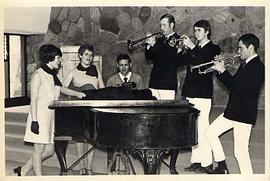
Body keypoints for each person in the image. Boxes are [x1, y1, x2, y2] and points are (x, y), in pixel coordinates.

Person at [13, 44, 85, 176]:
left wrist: (78, 94)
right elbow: (33, 100)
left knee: (50, 150)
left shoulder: (52, 75)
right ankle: (39, 177)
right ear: (50, 58)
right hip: (39, 116)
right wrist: (34, 121)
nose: (60, 61)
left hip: (51, 117)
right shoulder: (38, 75)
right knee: (39, 150)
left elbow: (61, 88)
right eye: (58, 58)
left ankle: (22, 170)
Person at [205, 33, 264, 174]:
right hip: (232, 112)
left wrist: (223, 70)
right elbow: (233, 85)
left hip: (243, 114)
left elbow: (241, 88)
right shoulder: (246, 65)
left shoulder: (257, 67)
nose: (238, 52)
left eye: (240, 48)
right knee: (210, 133)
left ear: (250, 48)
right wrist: (220, 70)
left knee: (240, 152)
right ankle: (222, 166)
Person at [175, 20, 221, 173]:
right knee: (193, 128)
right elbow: (180, 62)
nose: (196, 33)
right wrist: (181, 49)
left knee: (203, 129)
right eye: (195, 30)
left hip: (202, 94)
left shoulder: (213, 48)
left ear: (207, 31)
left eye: (199, 30)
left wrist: (192, 47)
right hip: (190, 92)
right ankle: (196, 160)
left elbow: (204, 63)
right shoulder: (195, 48)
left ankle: (207, 163)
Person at [144, 13, 182, 174]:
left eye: (164, 25)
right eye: (160, 25)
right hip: (155, 82)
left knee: (167, 118)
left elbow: (170, 57)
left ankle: (168, 153)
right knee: (154, 116)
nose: (161, 28)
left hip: (167, 83)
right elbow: (149, 57)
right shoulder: (159, 41)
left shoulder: (177, 40)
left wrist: (155, 45)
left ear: (172, 25)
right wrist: (148, 46)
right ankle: (154, 147)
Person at [62, 44, 105, 175]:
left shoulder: (96, 70)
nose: (89, 57)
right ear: (80, 56)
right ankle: (82, 167)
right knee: (80, 137)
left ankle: (90, 168)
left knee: (92, 137)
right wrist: (76, 94)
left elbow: (102, 87)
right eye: (86, 54)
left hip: (93, 108)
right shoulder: (73, 72)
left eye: (91, 55)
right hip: (80, 108)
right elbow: (62, 88)